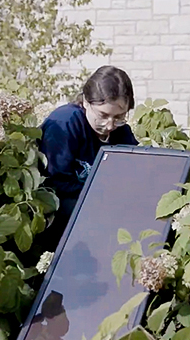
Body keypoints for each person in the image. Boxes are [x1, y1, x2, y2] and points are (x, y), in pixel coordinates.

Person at [38, 65, 139, 251]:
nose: (110, 125)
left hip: (99, 207)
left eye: (119, 117)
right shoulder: (64, 123)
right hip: (61, 213)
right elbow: (55, 182)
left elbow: (135, 172)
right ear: (85, 102)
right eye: (103, 115)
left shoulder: (122, 132)